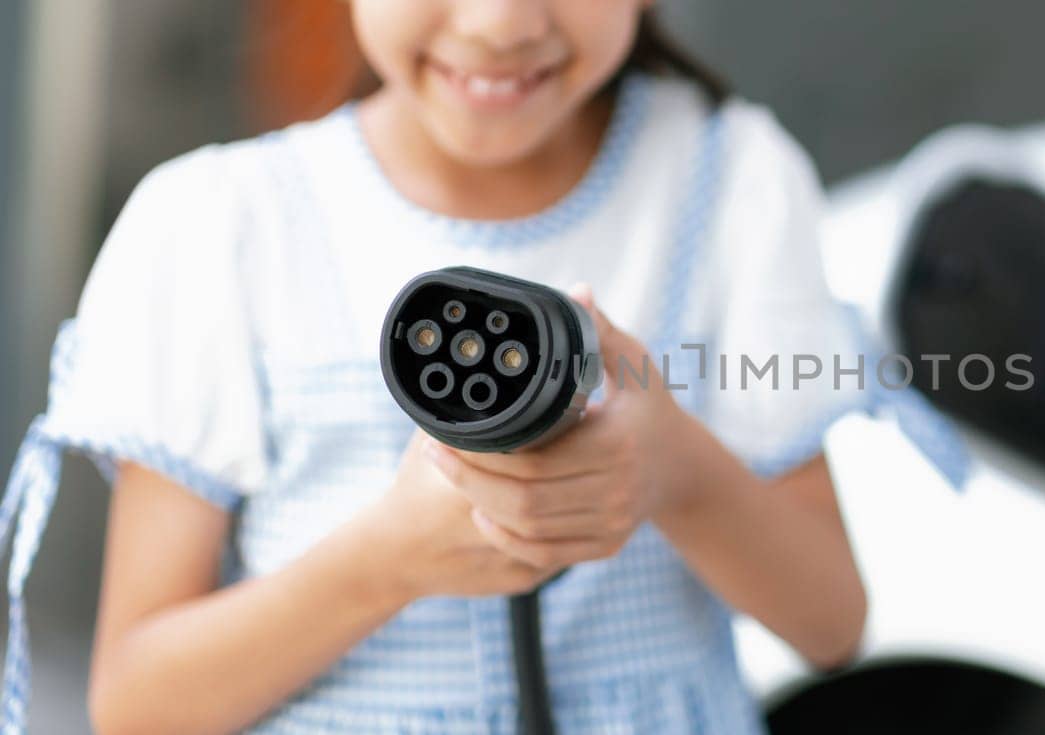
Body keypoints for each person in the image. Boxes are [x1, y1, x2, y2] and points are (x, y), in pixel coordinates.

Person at [0, 2, 961, 732]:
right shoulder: (221, 222)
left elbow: (832, 624)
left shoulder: (732, 180)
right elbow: (136, 704)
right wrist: (388, 561)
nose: (500, 24)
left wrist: (671, 465)